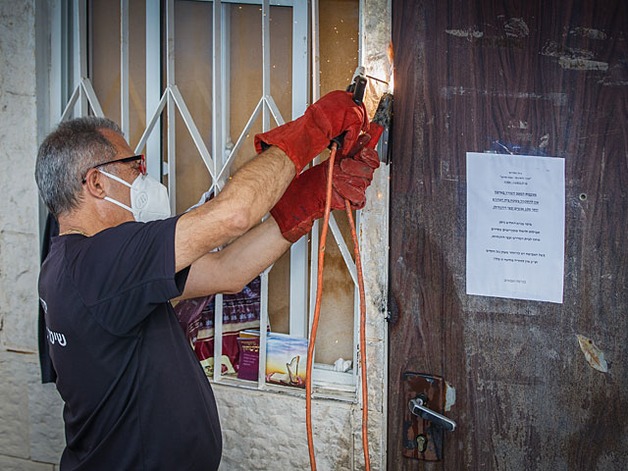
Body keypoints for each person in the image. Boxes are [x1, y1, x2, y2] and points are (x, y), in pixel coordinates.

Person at [35, 90, 380, 471]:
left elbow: (226, 271)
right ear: (96, 183)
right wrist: (315, 127)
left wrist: (311, 199)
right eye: (135, 166)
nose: (144, 177)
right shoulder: (102, 259)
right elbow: (234, 214)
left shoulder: (76, 265)